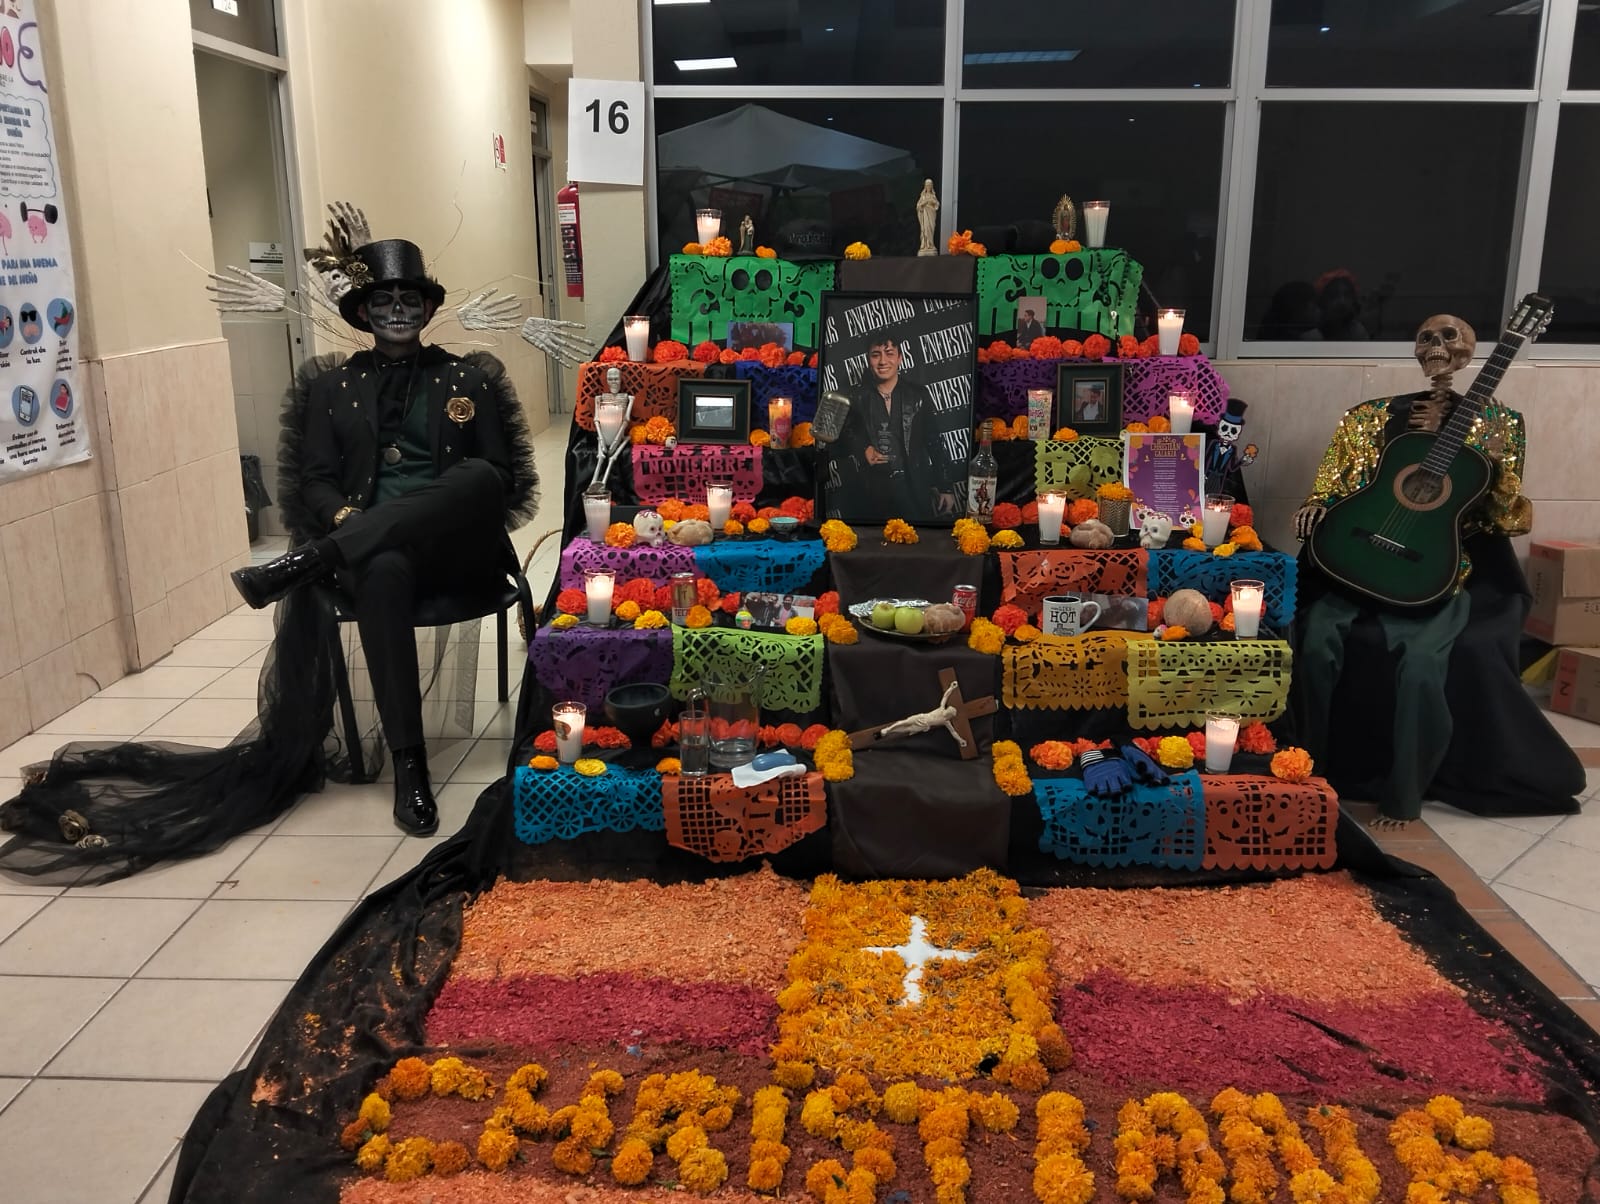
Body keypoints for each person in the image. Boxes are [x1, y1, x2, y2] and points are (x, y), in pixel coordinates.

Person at [231, 238, 534, 836]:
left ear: (428, 308)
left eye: (409, 299)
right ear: (364, 313)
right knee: (383, 568)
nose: (398, 311)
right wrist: (346, 520)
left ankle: (311, 561)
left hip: (457, 551)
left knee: (478, 474)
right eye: (384, 300)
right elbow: (316, 481)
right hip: (376, 552)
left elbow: (500, 479)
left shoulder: (467, 379)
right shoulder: (331, 388)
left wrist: (343, 539)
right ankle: (409, 764)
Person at [1289, 313, 1576, 828]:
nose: (1436, 346)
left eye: (1449, 336)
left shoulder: (1500, 423)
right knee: (1313, 645)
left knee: (1423, 666)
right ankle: (1307, 771)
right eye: (1426, 337)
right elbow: (1334, 486)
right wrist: (1315, 505)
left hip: (1433, 568)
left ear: (1470, 348)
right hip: (1359, 560)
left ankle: (1403, 793)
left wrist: (1494, 471)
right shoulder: (1370, 416)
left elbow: (1504, 519)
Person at [832, 335, 953, 520]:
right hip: (871, 491)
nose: (882, 361)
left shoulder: (918, 395)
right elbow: (843, 437)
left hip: (913, 487)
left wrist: (945, 487)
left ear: (900, 358)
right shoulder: (855, 397)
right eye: (876, 355)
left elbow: (934, 440)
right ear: (868, 360)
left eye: (889, 353)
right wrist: (863, 449)